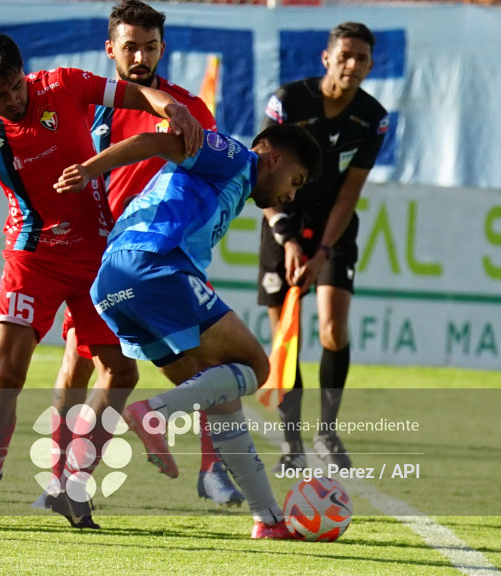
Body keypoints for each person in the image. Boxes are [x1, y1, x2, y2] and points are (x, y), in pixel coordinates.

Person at [0, 31, 203, 528]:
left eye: (14, 88)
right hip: (33, 259)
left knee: (122, 372)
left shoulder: (63, 85)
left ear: (24, 72)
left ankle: (74, 483)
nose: (10, 100)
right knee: (8, 374)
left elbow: (133, 93)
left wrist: (168, 104)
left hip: (95, 256)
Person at [54, 123, 322, 539]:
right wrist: (90, 169)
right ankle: (154, 414)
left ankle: (268, 520)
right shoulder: (236, 157)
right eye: (296, 181)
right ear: (274, 158)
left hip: (112, 283)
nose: (291, 195)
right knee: (256, 365)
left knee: (221, 398)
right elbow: (155, 142)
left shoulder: (233, 184)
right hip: (151, 265)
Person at [49, 0, 244, 509]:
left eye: (150, 47)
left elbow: (206, 176)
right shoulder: (86, 103)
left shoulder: (186, 109)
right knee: (80, 364)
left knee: (204, 362)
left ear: (163, 48)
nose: (140, 56)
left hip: (153, 257)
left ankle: (213, 468)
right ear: (109, 48)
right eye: (129, 46)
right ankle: (62, 478)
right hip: (89, 249)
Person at [257, 22, 389, 472]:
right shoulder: (288, 101)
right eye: (345, 55)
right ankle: (291, 446)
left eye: (363, 59)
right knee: (286, 336)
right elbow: (263, 177)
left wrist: (322, 251)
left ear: (371, 66)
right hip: (284, 222)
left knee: (333, 330)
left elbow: (351, 191)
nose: (353, 65)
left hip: (333, 230)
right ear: (326, 58)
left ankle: (327, 433)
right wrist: (287, 238)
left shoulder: (373, 117)